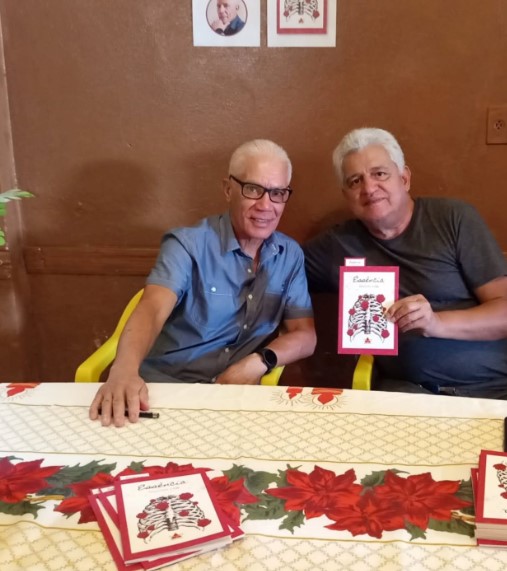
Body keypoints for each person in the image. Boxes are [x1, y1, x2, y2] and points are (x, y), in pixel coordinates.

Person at [90, 139, 316, 426]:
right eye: (253, 189)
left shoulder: (289, 255)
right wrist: (123, 371)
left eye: (277, 193)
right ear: (228, 189)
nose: (265, 205)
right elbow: (153, 308)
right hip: (166, 388)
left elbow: (304, 335)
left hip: (234, 397)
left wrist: (259, 362)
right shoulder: (187, 244)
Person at [304, 127, 507, 398]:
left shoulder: (453, 219)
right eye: (355, 181)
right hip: (410, 394)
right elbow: (278, 268)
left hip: (494, 389)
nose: (369, 188)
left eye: (379, 174)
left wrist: (436, 323)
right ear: (346, 194)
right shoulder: (337, 246)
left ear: (404, 178)